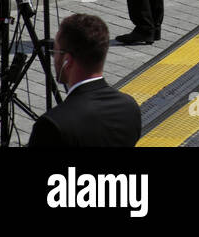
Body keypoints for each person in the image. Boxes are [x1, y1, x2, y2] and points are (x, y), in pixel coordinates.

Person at [27, 13, 141, 147]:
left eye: (55, 52)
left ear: (67, 61)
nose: (54, 58)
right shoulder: (129, 107)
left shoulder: (52, 125)